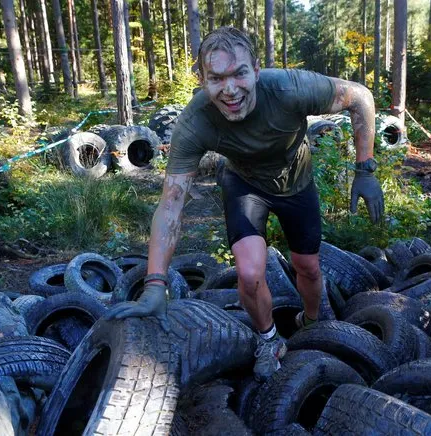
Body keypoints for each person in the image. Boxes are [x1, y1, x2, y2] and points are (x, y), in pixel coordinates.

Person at [106, 26, 384, 381]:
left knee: (308, 267)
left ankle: (311, 321)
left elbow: (360, 96)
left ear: (255, 68)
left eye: (239, 73)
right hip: (244, 185)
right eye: (216, 78)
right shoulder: (195, 122)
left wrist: (365, 168)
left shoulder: (289, 88)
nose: (230, 89)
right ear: (202, 79)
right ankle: (268, 339)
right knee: (250, 273)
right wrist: (155, 284)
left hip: (297, 182)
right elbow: (171, 204)